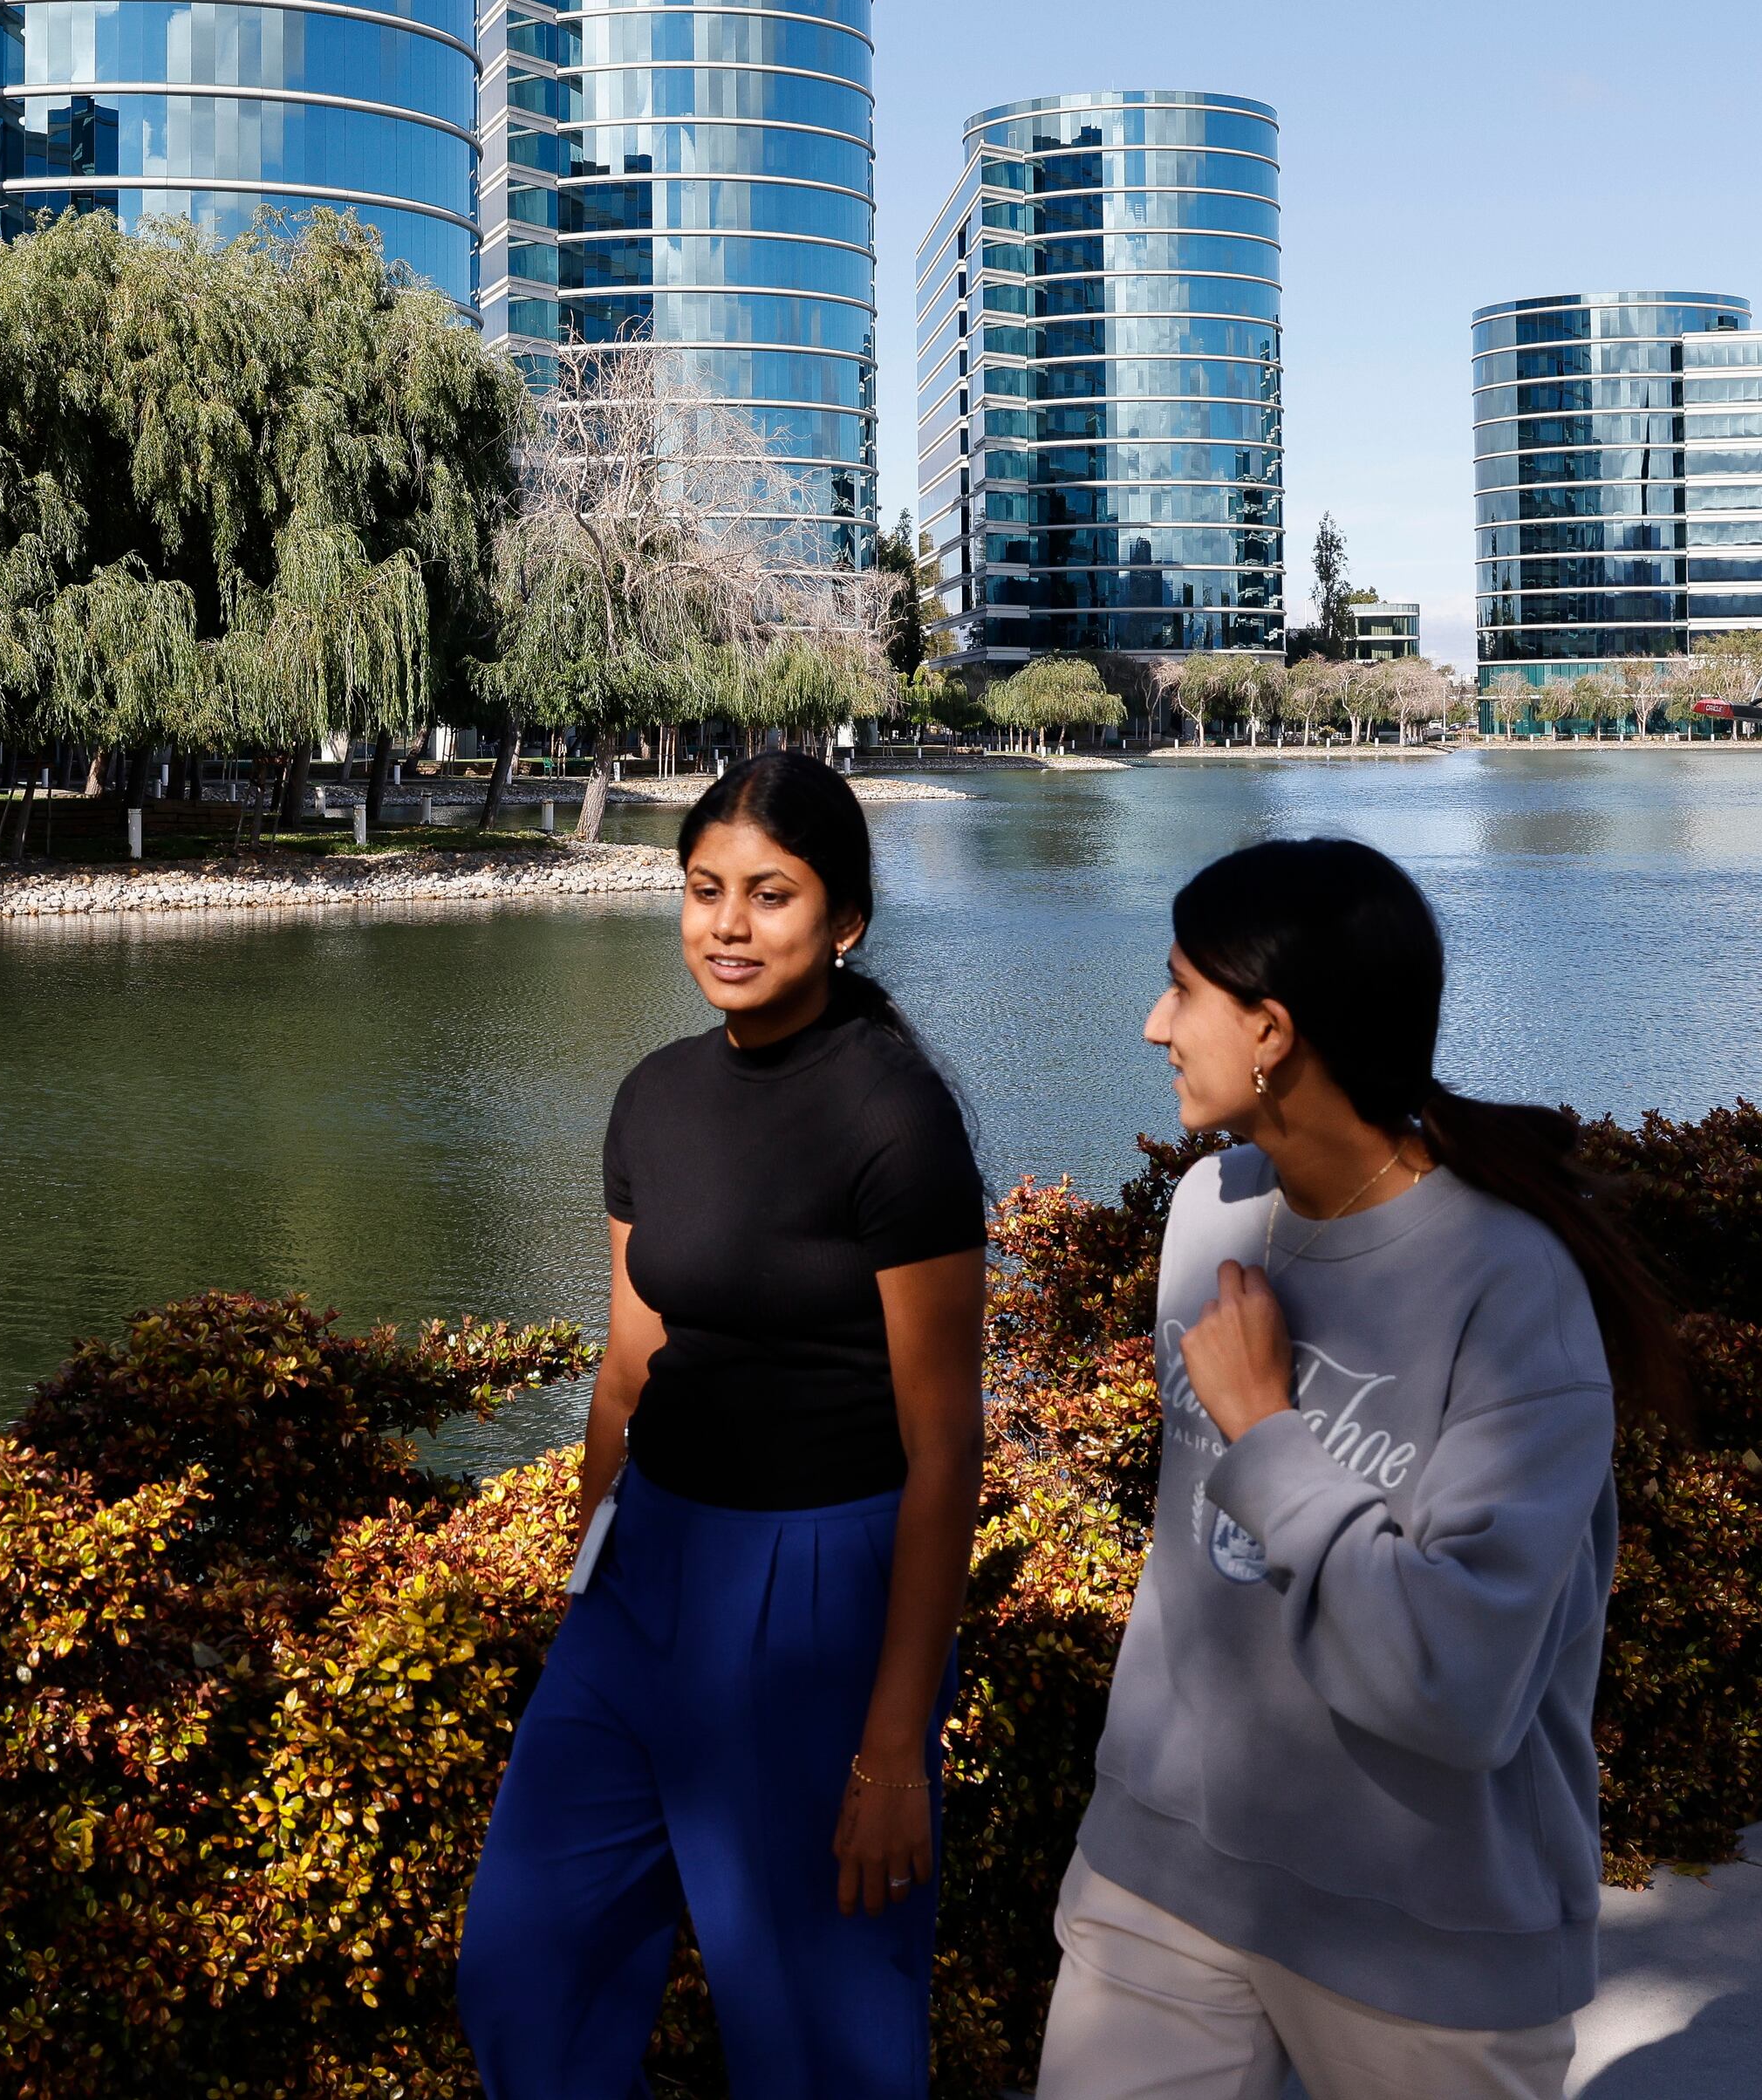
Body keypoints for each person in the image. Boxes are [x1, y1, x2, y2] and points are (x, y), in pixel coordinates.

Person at [1038, 838, 1686, 2100]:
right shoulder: (1210, 1213)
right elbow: (1193, 1573)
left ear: (1271, 1032)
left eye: (1182, 989)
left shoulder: (1510, 1289)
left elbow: (1456, 1685)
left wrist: (1272, 1433)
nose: (1153, 1022)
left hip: (1423, 1932)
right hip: (1161, 1877)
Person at [456, 751, 987, 2100]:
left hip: (817, 1590)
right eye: (704, 890)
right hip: (643, 1578)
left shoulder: (894, 1118)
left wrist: (893, 1747)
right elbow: (631, 1360)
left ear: (846, 920)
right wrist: (589, 1568)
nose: (729, 926)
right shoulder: (655, 1097)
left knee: (816, 2038)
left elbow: (945, 1448)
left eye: (772, 895)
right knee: (527, 1966)